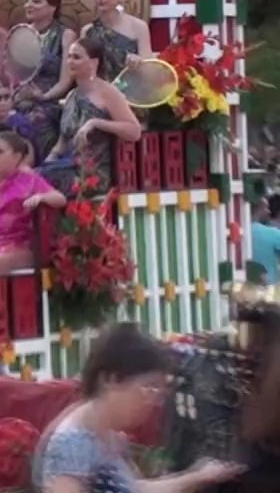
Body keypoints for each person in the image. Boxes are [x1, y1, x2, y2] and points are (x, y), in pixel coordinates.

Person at [33, 323, 243, 492]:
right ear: (111, 379)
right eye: (148, 388)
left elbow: (135, 489)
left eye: (159, 391)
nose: (153, 401)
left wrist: (199, 476)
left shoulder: (107, 435)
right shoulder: (72, 443)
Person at [40, 38, 143, 197]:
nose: (70, 62)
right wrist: (46, 163)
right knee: (32, 179)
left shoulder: (108, 92)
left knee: (44, 182)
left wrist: (96, 123)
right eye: (69, 57)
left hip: (94, 174)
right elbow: (61, 145)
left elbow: (134, 131)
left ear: (94, 63)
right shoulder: (71, 96)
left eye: (77, 57)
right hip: (69, 167)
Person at [0, 131, 65, 278]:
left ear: (17, 156)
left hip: (22, 244)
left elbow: (60, 199)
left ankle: (1, 301)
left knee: (0, 261)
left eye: (0, 152)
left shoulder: (30, 180)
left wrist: (41, 197)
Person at [14, 0, 78, 160]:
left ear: (52, 7)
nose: (29, 5)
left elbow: (65, 82)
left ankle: (40, 171)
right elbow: (14, 74)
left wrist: (43, 96)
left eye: (36, 1)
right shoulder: (21, 34)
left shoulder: (66, 35)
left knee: (36, 119)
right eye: (27, 1)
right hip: (23, 97)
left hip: (52, 99)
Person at [80, 0, 152, 82]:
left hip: (131, 92)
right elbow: (82, 71)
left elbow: (150, 69)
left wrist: (139, 62)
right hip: (98, 93)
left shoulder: (138, 27)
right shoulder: (88, 31)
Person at [250, 199, 280, 283]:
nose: (269, 212)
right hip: (268, 289)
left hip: (243, 288)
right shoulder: (272, 233)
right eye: (266, 208)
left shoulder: (240, 231)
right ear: (259, 209)